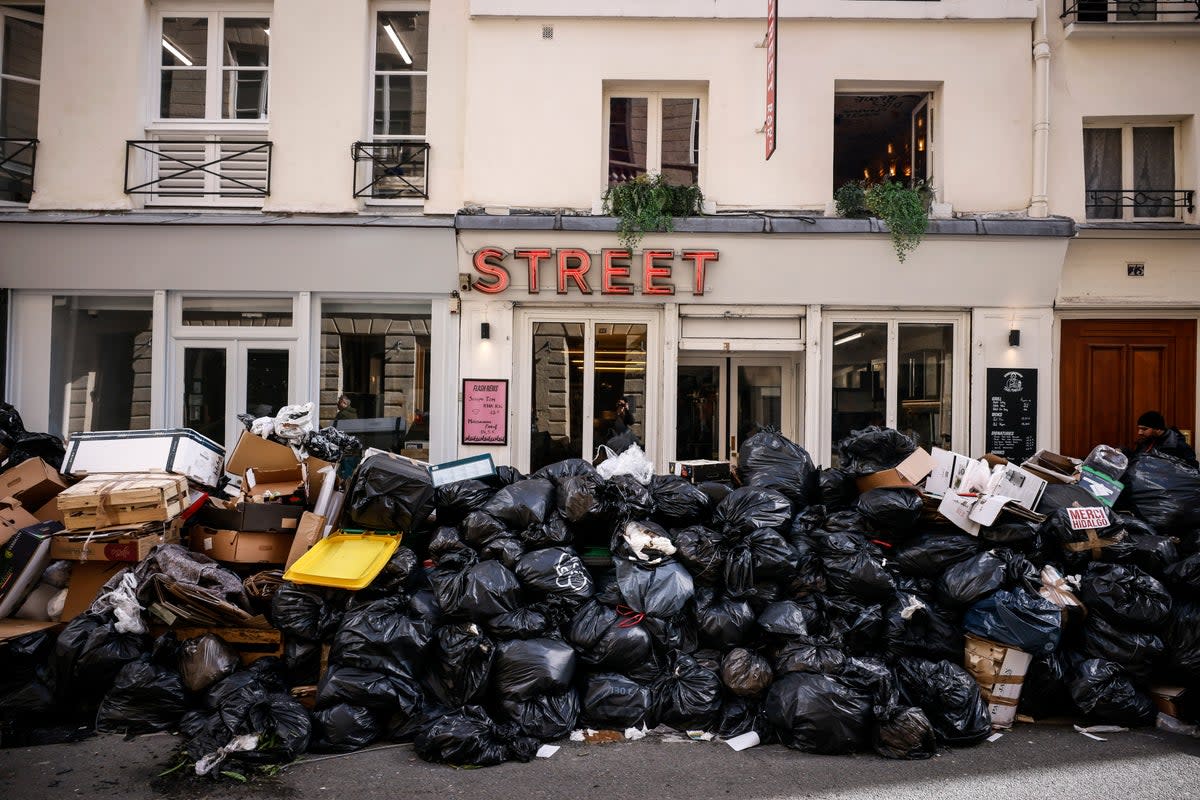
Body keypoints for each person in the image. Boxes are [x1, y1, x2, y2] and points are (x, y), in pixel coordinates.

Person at [1130, 410, 1197, 466]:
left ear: (1158, 429)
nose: (1139, 432)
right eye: (1139, 429)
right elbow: (1135, 458)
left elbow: (1192, 470)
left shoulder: (1178, 445)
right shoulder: (1145, 441)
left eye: (1144, 429)